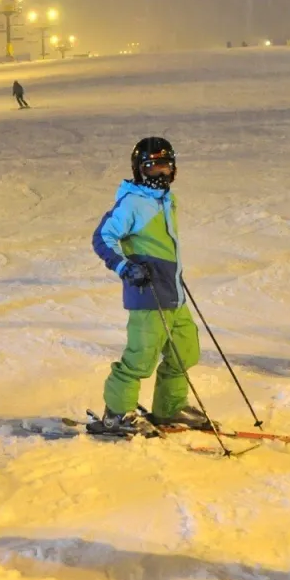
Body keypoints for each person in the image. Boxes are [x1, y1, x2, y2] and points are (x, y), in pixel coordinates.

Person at [90, 137, 206, 432]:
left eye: (165, 166)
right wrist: (125, 267)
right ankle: (116, 414)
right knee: (140, 357)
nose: (160, 173)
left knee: (185, 351)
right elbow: (102, 237)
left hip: (173, 293)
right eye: (152, 167)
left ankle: (169, 408)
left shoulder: (166, 200)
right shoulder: (133, 202)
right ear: (139, 170)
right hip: (147, 292)